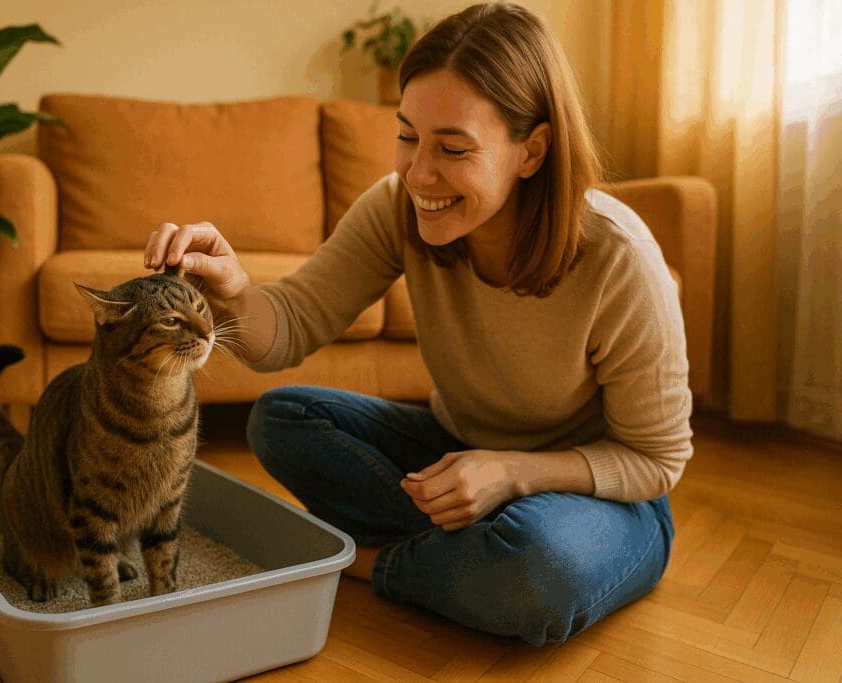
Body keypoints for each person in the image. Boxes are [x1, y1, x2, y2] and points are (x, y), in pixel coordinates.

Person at [143, 2, 688, 646]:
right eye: (407, 136)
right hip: (455, 446)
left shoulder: (617, 259)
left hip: (597, 497)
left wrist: (514, 473)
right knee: (282, 419)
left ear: (532, 151)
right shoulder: (397, 208)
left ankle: (368, 563)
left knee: (542, 568)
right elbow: (287, 328)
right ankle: (465, 560)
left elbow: (655, 460)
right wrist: (232, 291)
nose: (418, 174)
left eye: (453, 149)